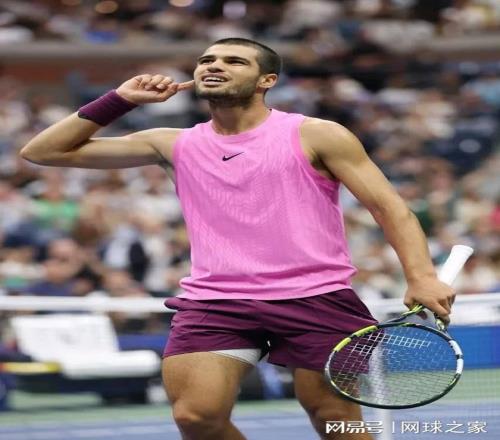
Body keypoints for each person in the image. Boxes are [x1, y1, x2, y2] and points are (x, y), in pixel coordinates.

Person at [20, 37, 455, 440]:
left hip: (316, 296)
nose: (214, 66)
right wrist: (121, 99)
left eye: (234, 61)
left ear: (267, 81)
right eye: (206, 60)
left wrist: (421, 276)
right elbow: (42, 152)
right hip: (216, 301)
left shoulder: (317, 134)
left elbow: (388, 207)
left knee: (332, 416)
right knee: (196, 417)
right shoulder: (171, 143)